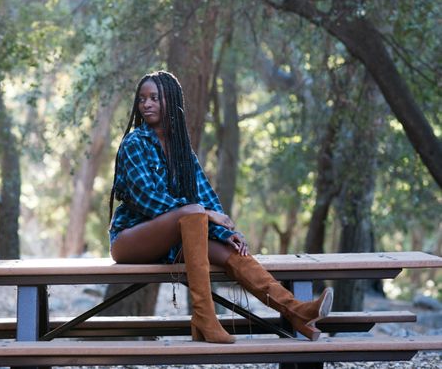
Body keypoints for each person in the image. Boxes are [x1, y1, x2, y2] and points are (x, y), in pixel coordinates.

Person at [108, 70, 333, 344]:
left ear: (171, 101)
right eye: (142, 99)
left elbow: (204, 195)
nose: (147, 104)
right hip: (131, 240)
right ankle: (205, 317)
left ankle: (296, 309)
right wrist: (205, 214)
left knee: (231, 252)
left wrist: (226, 234)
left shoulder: (181, 150)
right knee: (193, 212)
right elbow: (148, 199)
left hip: (173, 242)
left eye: (155, 97)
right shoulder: (134, 143)